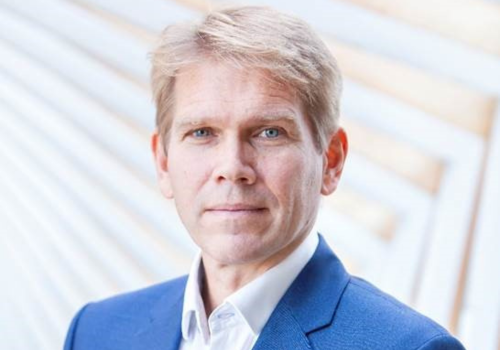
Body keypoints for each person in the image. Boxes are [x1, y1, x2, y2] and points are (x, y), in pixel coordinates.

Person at [63, 6, 466, 350]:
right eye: (201, 133)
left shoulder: (409, 347)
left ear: (331, 160)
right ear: (164, 163)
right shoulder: (97, 333)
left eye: (269, 132)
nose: (232, 167)